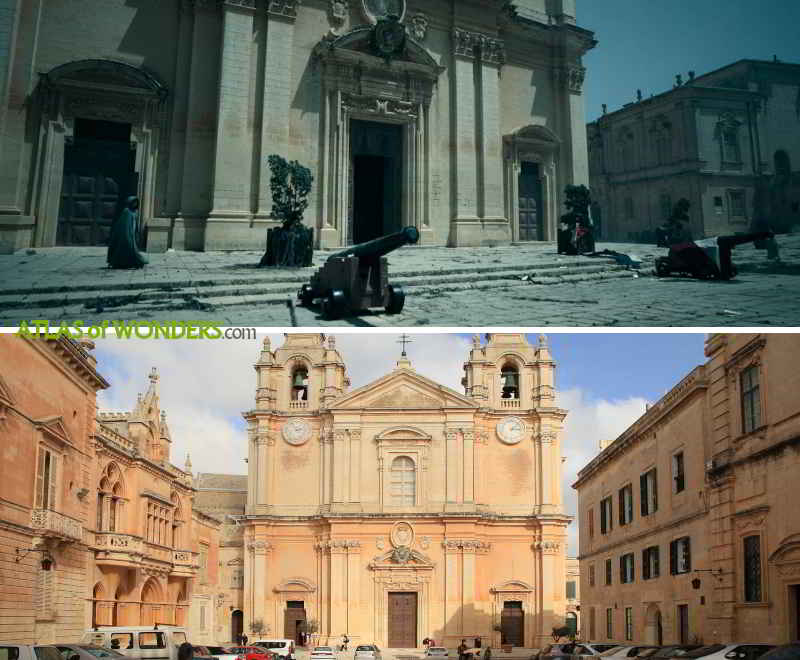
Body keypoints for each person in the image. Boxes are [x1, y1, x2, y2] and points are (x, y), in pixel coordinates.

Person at [107, 196, 148, 269]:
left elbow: (134, 225)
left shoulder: (134, 212)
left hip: (132, 234)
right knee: (129, 249)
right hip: (127, 235)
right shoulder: (126, 212)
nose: (135, 204)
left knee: (130, 249)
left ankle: (130, 263)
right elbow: (125, 226)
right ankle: (137, 262)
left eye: (136, 202)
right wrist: (128, 235)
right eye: (133, 202)